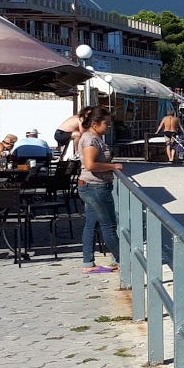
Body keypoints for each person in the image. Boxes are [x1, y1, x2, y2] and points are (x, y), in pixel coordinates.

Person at [77, 108, 122, 274]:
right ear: (95, 124)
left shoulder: (91, 137)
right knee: (109, 226)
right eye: (106, 123)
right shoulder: (91, 141)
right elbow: (90, 165)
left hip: (89, 186)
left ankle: (88, 263)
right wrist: (113, 166)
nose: (108, 126)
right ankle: (122, 260)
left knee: (91, 225)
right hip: (95, 187)